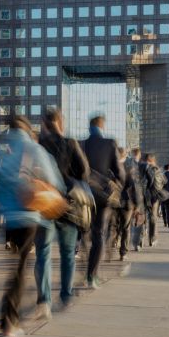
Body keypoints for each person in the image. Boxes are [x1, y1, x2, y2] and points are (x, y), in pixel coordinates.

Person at [0, 115, 64, 337]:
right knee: (20, 269)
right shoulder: (34, 149)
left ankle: (8, 318)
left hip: (8, 219)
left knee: (14, 267)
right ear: (26, 129)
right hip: (29, 216)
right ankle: (10, 323)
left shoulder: (4, 153)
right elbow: (55, 182)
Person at [34, 108, 90, 319]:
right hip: (67, 205)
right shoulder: (71, 143)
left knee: (43, 253)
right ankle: (65, 296)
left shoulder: (38, 145)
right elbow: (85, 172)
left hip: (44, 205)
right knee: (67, 254)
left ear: (44, 124)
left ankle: (44, 301)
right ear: (60, 122)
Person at [80, 115, 125, 288]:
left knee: (84, 231)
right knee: (99, 235)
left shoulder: (82, 144)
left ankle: (84, 260)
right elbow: (119, 171)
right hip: (103, 196)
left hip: (84, 195)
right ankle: (92, 276)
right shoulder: (109, 144)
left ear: (89, 127)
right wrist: (118, 185)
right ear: (102, 126)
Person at [109, 147, 142, 261]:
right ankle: (123, 253)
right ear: (124, 156)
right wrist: (137, 204)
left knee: (113, 225)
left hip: (112, 202)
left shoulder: (110, 170)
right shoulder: (128, 169)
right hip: (126, 203)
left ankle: (113, 243)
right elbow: (134, 188)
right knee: (126, 228)